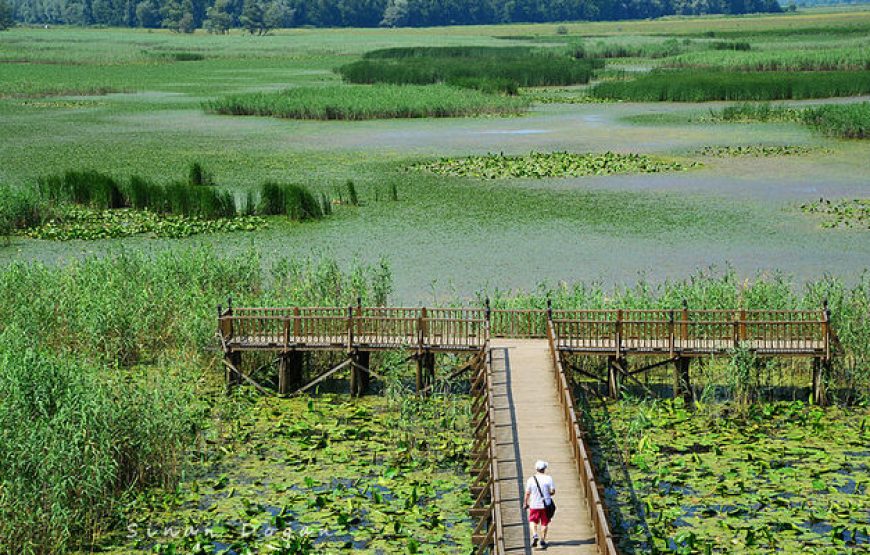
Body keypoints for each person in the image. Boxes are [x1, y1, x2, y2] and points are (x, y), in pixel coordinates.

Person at [524, 460, 555, 549]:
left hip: (534, 504)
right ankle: (542, 540)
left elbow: (527, 493)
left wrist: (525, 503)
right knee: (545, 523)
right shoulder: (548, 478)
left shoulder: (531, 479)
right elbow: (553, 491)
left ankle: (534, 535)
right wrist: (548, 494)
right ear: (544, 469)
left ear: (536, 469)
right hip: (546, 505)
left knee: (532, 521)